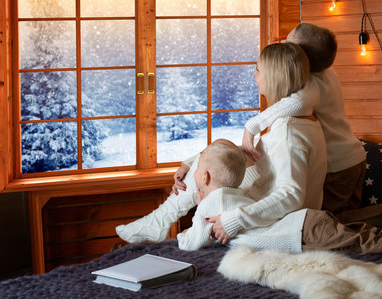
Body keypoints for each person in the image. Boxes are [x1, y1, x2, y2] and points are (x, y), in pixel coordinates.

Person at [116, 42, 327, 244]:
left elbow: (291, 196)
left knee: (215, 158)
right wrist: (192, 162)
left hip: (276, 217)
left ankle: (159, 221)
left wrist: (235, 219)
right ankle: (160, 220)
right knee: (220, 149)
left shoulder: (288, 132)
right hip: (263, 189)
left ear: (273, 77)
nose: (254, 74)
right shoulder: (297, 117)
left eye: (258, 69)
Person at [179, 140, 382, 259]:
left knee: (366, 242)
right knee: (354, 229)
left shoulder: (210, 205)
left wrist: (190, 232)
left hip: (301, 234)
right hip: (305, 220)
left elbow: (190, 244)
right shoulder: (240, 195)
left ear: (204, 178)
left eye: (195, 171)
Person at [241, 23, 367, 216]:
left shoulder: (310, 83)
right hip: (353, 156)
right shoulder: (328, 70)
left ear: (301, 57)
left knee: (331, 226)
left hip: (337, 165)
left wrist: (252, 126)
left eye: (288, 42)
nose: (282, 42)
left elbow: (298, 102)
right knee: (349, 219)